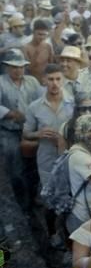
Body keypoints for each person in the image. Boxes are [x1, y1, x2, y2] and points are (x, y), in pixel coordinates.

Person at [23, 63, 74, 188]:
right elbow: (26, 133)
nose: (55, 83)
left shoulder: (74, 103)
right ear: (44, 80)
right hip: (46, 157)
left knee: (69, 191)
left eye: (58, 79)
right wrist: (38, 134)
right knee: (48, 191)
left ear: (64, 80)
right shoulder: (34, 107)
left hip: (70, 155)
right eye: (51, 79)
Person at [0, 49, 42, 200]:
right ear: (6, 67)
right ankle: (21, 199)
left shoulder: (32, 81)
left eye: (21, 67)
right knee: (15, 166)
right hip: (10, 130)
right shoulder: (1, 82)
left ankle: (34, 196)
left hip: (31, 129)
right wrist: (10, 113)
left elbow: (41, 102)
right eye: (14, 67)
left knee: (35, 164)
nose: (18, 70)